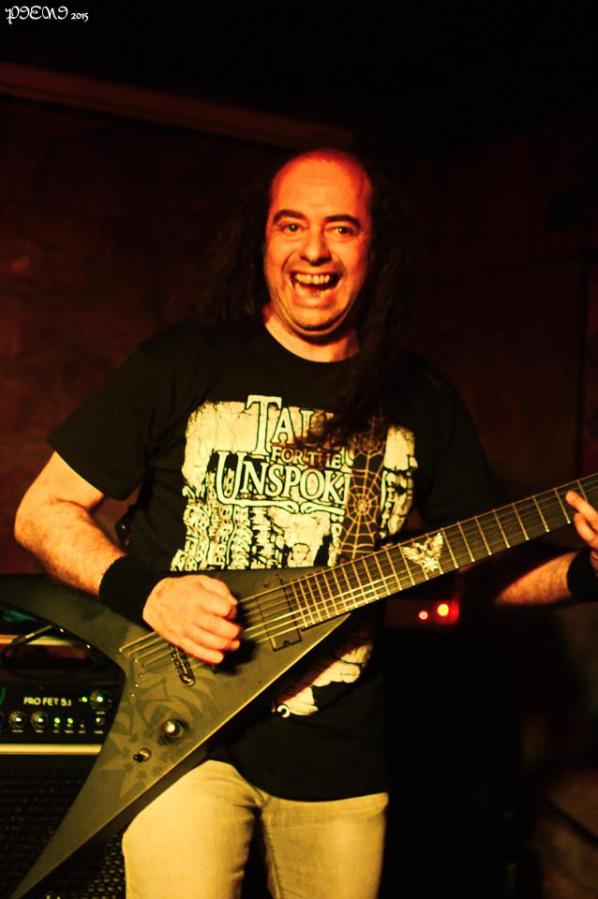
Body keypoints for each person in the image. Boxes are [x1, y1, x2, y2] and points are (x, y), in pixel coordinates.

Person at [14, 148, 598, 899]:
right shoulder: (181, 362)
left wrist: (587, 572)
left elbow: (477, 573)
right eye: (292, 225)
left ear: (375, 249)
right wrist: (150, 592)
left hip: (340, 756)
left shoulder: (420, 397)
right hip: (183, 736)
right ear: (262, 241)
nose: (314, 250)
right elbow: (43, 511)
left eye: (341, 228)